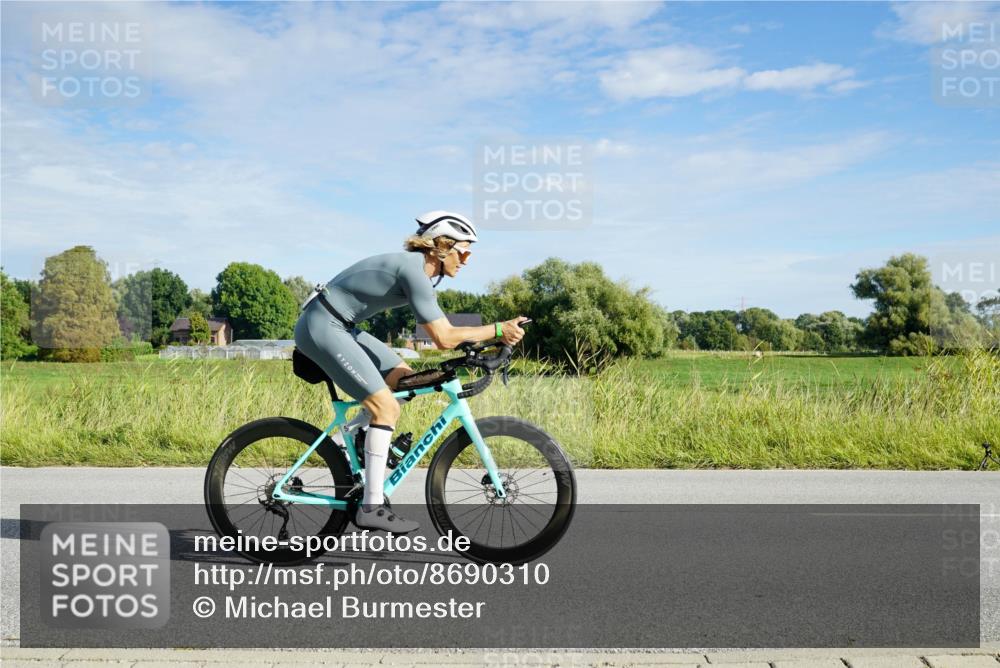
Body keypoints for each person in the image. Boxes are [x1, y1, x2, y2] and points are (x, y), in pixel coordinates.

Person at [293, 211, 529, 533]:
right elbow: (443, 337)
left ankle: (349, 442)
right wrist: (498, 329)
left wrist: (486, 343)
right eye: (464, 251)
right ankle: (371, 506)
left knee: (403, 379)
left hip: (340, 325)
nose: (467, 260)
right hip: (323, 325)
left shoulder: (418, 272)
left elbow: (446, 334)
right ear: (442, 246)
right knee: (385, 407)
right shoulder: (414, 271)